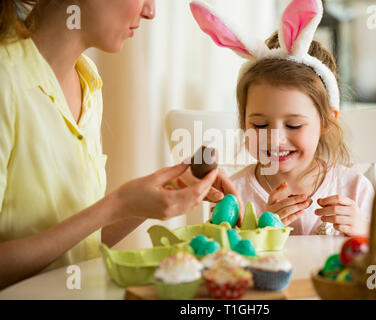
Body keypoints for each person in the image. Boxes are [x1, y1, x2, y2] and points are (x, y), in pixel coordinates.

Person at [0, 0, 240, 290]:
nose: (150, 11)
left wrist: (161, 193)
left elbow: (77, 246)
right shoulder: (6, 82)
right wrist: (114, 206)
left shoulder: (87, 81)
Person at [190, 0, 374, 237]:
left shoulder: (354, 189)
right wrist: (258, 231)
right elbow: (221, 263)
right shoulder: (233, 196)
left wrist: (365, 232)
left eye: (293, 125)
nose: (275, 140)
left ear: (326, 121)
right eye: (260, 125)